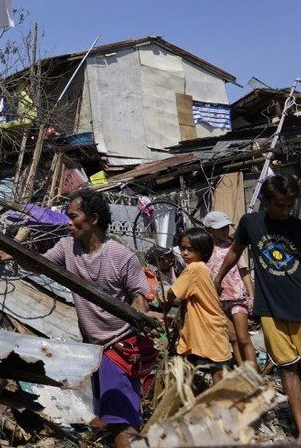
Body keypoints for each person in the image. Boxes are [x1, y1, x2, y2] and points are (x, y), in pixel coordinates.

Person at [214, 174, 301, 442]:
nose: (284, 211)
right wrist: (217, 278)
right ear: (265, 201)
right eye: (279, 205)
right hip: (269, 309)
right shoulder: (250, 223)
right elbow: (235, 252)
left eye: (288, 205)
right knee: (287, 368)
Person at [43, 189, 158, 448]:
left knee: (121, 421)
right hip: (95, 348)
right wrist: (10, 253)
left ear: (93, 218)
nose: (68, 223)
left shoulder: (121, 256)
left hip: (119, 345)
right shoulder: (66, 248)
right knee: (114, 415)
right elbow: (38, 264)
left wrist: (144, 318)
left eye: (73, 216)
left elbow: (139, 299)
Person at [160, 227, 232, 385]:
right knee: (207, 372)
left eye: (190, 249)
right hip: (209, 329)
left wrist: (161, 301)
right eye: (183, 248)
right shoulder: (202, 268)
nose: (185, 253)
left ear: (203, 251)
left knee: (218, 378)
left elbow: (172, 293)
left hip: (209, 330)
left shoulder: (194, 268)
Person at [203, 210, 257, 363]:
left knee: (243, 337)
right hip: (218, 300)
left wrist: (251, 295)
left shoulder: (234, 247)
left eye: (227, 227)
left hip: (237, 297)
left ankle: (253, 372)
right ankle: (242, 371)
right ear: (209, 229)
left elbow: (244, 271)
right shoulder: (205, 251)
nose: (225, 230)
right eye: (221, 228)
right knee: (232, 337)